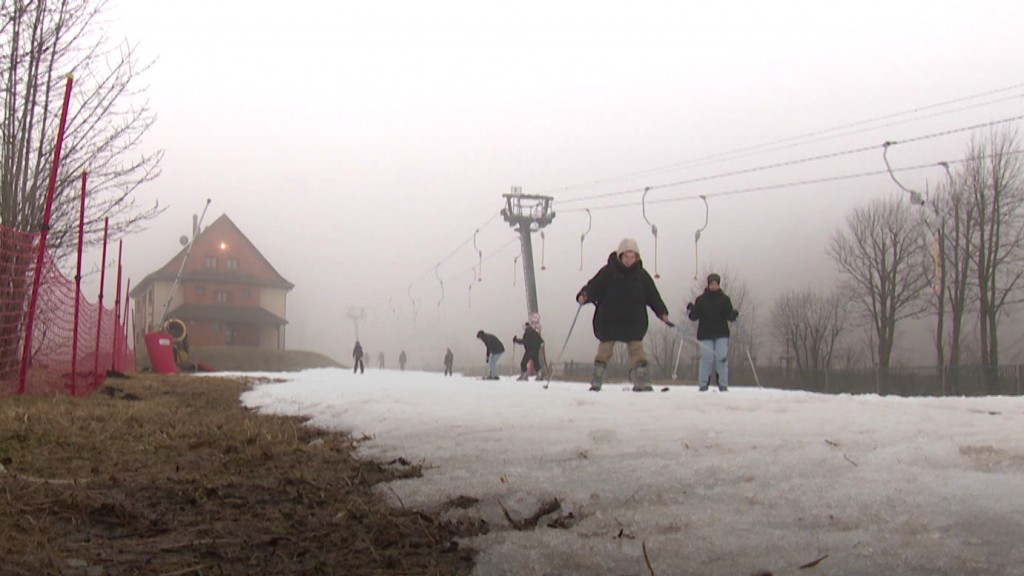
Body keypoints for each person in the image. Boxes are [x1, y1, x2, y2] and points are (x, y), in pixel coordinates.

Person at [576, 238, 671, 392]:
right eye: (626, 257)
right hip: (609, 320)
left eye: (632, 257)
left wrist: (662, 313)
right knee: (604, 351)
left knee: (637, 352)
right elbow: (594, 286)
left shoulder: (641, 276)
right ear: (620, 256)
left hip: (633, 321)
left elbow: (653, 296)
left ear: (636, 258)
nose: (629, 261)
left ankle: (642, 381)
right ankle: (597, 380)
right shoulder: (608, 272)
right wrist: (584, 295)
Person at [686, 272, 738, 392]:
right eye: (712, 284)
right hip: (705, 334)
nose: (714, 286)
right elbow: (694, 316)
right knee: (707, 358)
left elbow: (729, 315)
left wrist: (733, 314)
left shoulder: (725, 299)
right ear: (708, 285)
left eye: (716, 284)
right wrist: (691, 309)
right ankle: (703, 384)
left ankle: (723, 384)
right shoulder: (701, 299)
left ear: (718, 285)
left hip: (721, 333)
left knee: (722, 358)